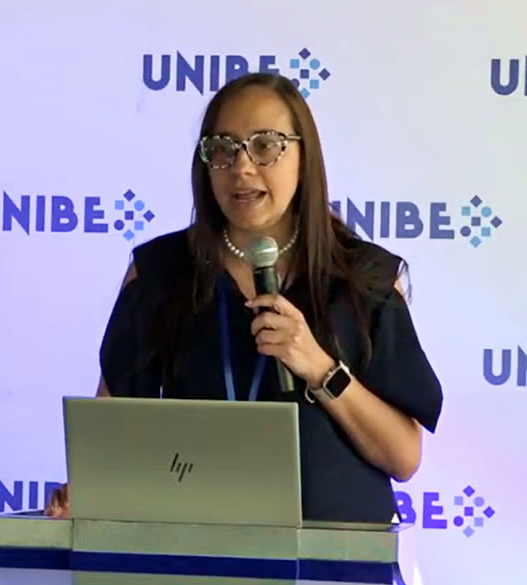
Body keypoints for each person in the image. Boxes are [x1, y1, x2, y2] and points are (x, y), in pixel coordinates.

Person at [45, 72, 443, 523]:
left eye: (266, 145)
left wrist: (319, 367)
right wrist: (86, 490)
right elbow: (108, 434)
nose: (242, 167)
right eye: (222, 148)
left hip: (336, 552)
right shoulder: (160, 272)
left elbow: (403, 457)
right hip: (193, 546)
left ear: (305, 157)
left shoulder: (364, 278)